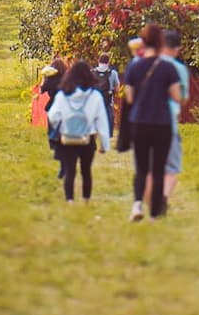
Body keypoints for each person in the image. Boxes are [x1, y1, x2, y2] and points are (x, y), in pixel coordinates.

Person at [121, 23, 183, 221]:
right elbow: (176, 96)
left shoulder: (134, 66)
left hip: (139, 122)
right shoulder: (167, 67)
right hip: (161, 123)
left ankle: (137, 205)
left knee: (141, 168)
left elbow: (129, 97)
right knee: (157, 170)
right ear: (160, 42)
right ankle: (155, 215)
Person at [47, 62, 112, 203]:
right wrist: (104, 144)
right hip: (87, 138)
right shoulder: (95, 96)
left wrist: (62, 124)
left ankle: (70, 200)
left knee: (70, 171)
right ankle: (85, 200)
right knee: (86, 171)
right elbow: (102, 121)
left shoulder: (63, 94)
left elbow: (52, 116)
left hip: (68, 137)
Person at [159, 29, 191, 201]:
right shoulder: (179, 69)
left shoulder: (145, 65)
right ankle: (163, 196)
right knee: (171, 167)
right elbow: (183, 98)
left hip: (144, 122)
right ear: (176, 48)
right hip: (168, 121)